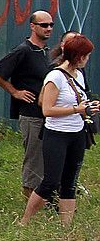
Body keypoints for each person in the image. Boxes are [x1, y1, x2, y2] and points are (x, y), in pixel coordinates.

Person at [19, 35, 98, 227]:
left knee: (70, 181)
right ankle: (25, 220)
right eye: (86, 56)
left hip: (76, 132)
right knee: (51, 181)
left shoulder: (78, 75)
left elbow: (78, 101)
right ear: (78, 56)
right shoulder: (55, 77)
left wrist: (87, 106)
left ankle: (66, 226)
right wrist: (75, 110)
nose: (87, 60)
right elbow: (47, 110)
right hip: (57, 134)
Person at [0, 11, 55, 199]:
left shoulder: (46, 52)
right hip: (31, 114)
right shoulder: (24, 50)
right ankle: (30, 198)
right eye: (44, 25)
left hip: (48, 115)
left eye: (51, 25)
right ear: (32, 26)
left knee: (47, 158)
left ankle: (45, 197)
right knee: (34, 158)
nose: (48, 29)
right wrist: (14, 91)